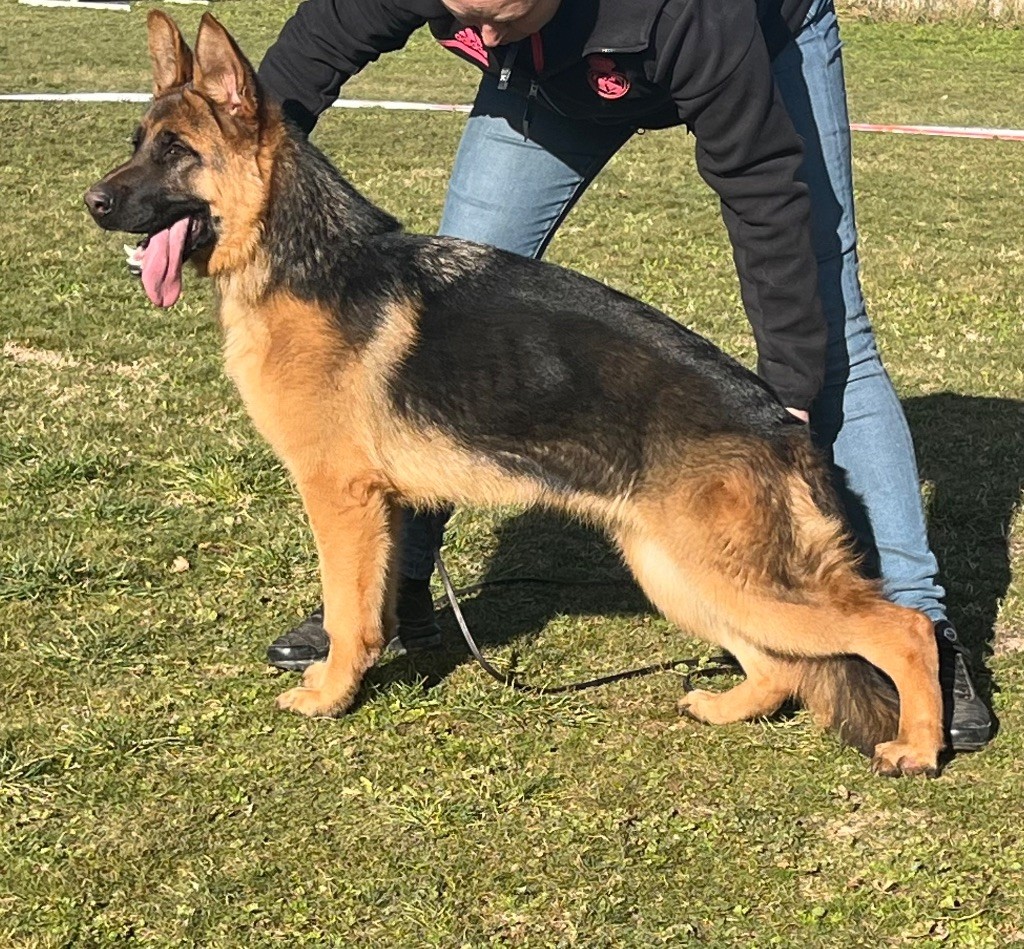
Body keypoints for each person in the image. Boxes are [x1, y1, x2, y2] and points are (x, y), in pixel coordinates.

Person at [256, 0, 993, 750]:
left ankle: (918, 626)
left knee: (836, 342)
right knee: (449, 314)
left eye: (499, 16)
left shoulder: (696, 15)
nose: (479, 36)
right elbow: (295, 69)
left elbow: (767, 198)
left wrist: (792, 393)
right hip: (550, 78)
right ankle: (391, 590)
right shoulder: (478, 11)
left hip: (758, 33)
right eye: (464, 16)